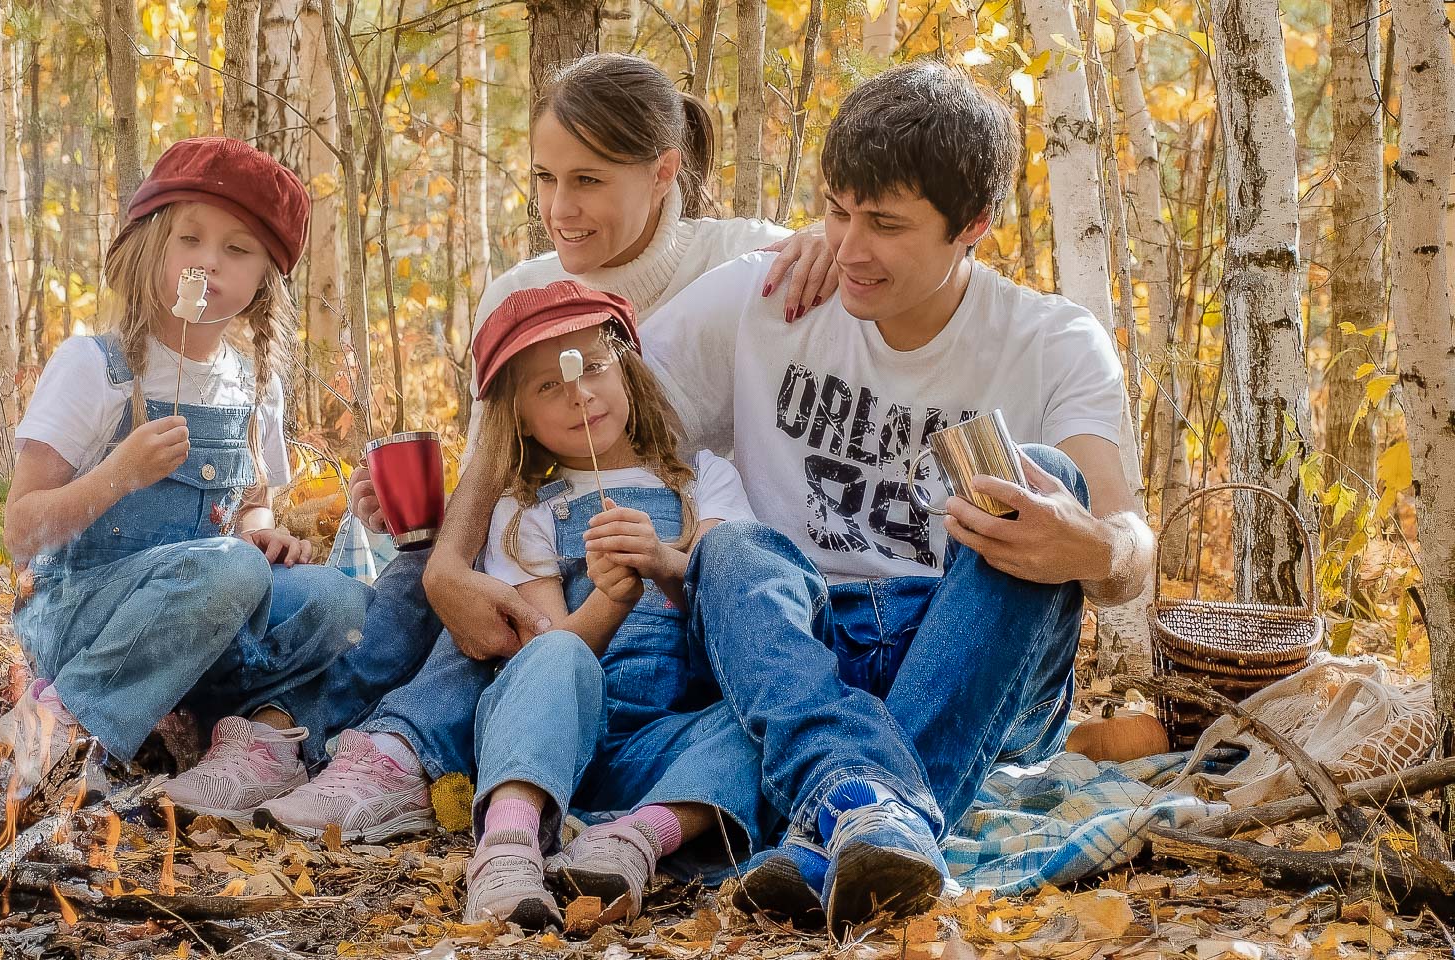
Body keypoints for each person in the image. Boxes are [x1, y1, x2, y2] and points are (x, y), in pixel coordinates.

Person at [259, 52, 834, 841]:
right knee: (465, 589)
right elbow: (493, 472)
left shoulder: (749, 261)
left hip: (690, 589)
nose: (559, 208)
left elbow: (881, 273)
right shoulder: (521, 294)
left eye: (589, 180)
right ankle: (341, 746)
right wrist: (444, 564)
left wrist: (832, 241)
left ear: (664, 170)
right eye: (544, 178)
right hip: (553, 580)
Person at [640, 62, 1157, 933]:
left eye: (883, 224)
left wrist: (1092, 548)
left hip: (964, 645)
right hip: (802, 647)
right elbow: (613, 425)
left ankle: (833, 823)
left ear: (976, 228)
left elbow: (1131, 554)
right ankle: (874, 820)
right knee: (731, 550)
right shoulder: (770, 294)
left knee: (1046, 475)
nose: (847, 248)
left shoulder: (1053, 342)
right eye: (837, 210)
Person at [0, 137, 372, 818]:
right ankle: (62, 723)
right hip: (83, 612)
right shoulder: (96, 367)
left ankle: (241, 735)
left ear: (264, 278)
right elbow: (22, 529)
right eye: (189, 240)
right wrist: (118, 474)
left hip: (207, 610)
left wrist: (264, 537)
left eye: (237, 250)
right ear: (152, 250)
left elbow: (251, 507)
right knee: (228, 572)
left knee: (342, 602)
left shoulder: (256, 384)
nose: (208, 261)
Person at [450, 282, 768, 929]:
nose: (578, 391)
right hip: (558, 741)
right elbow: (548, 650)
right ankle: (508, 843)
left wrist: (662, 563)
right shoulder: (527, 512)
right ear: (520, 417)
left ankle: (636, 839)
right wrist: (610, 600)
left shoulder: (702, 480)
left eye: (594, 366)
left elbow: (727, 601)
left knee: (755, 724)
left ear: (626, 369)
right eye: (546, 387)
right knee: (557, 653)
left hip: (667, 744)